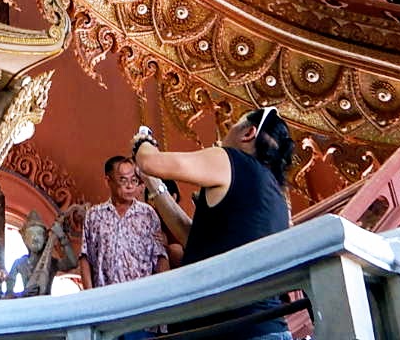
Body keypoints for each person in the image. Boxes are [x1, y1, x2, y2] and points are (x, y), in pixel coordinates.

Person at [132, 109, 294, 339]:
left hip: (234, 330)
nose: (225, 134)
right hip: (265, 328)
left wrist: (143, 142)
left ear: (248, 133)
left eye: (233, 125)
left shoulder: (230, 159)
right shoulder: (275, 196)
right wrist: (153, 183)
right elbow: (194, 239)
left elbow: (150, 161)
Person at [78, 155, 169, 291]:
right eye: (123, 180)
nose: (130, 186)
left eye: (134, 180)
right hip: (106, 294)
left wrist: (163, 290)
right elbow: (85, 257)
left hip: (142, 293)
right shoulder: (94, 215)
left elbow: (160, 256)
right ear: (108, 181)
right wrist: (89, 294)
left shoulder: (147, 214)